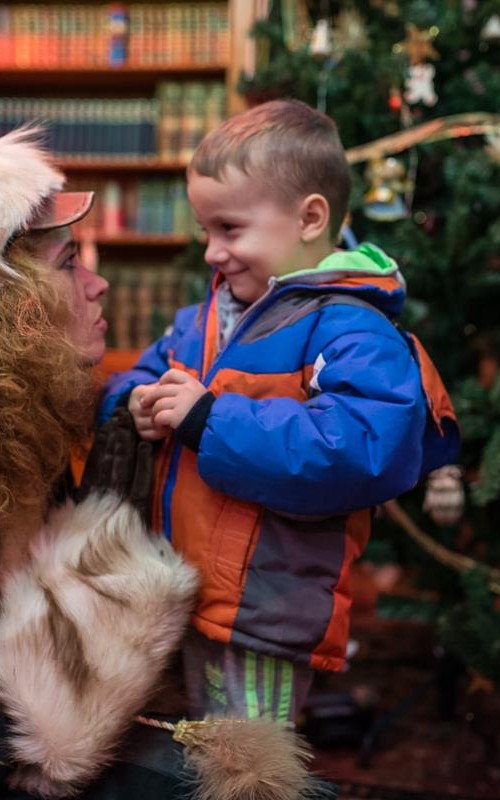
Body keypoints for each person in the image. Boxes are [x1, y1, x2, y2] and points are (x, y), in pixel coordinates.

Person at [101, 99, 460, 727]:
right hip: (175, 590)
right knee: (173, 750)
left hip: (265, 612)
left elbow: (364, 448)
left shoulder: (350, 328)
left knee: (247, 761)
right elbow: (137, 375)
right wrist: (132, 401)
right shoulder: (204, 320)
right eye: (205, 230)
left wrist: (209, 421)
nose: (212, 252)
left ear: (310, 218)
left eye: (230, 229)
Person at [0, 127, 199, 799]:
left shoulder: (28, 416)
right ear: (13, 305)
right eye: (67, 264)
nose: (98, 283)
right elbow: (29, 739)